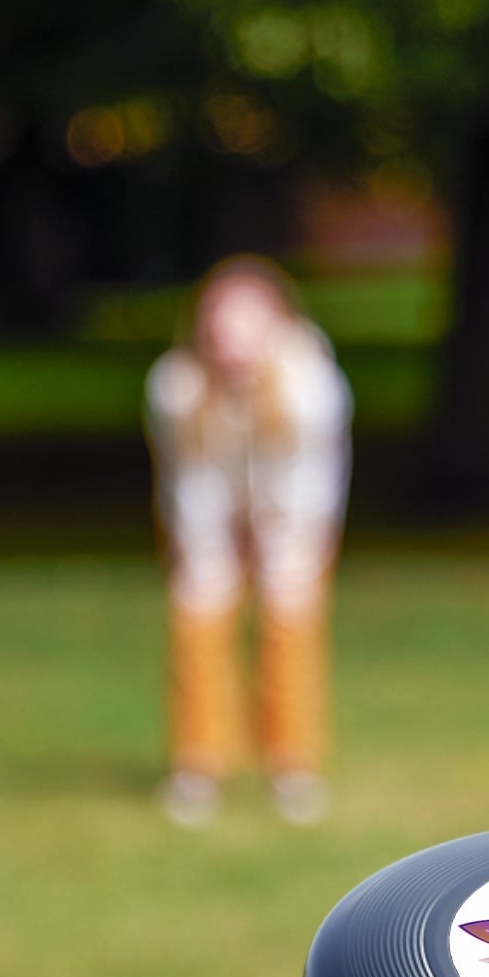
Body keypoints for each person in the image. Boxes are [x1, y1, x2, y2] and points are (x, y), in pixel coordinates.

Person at [145, 256, 353, 827]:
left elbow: (310, 481)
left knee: (290, 624)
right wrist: (211, 549)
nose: (232, 339)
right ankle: (198, 765)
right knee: (198, 617)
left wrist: (278, 542)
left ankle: (291, 766)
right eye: (221, 323)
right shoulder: (176, 387)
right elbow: (189, 481)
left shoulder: (311, 386)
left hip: (293, 517)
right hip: (207, 515)